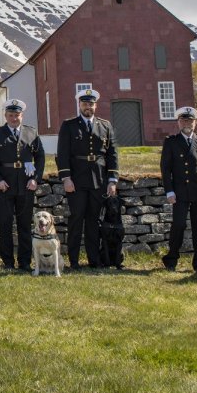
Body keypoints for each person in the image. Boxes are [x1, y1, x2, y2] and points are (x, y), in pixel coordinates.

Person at [57, 89, 119, 270]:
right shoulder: (69, 125)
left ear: (95, 105)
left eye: (91, 104)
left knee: (93, 221)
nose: (88, 107)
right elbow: (62, 154)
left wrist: (112, 180)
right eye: (85, 104)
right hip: (76, 179)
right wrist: (66, 178)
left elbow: (112, 154)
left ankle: (94, 259)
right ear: (79, 105)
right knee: (76, 219)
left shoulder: (105, 125)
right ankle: (74, 260)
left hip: (98, 180)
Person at [0, 99, 45, 270]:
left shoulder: (31, 132)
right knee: (5, 224)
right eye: (10, 115)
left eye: (17, 115)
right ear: (6, 116)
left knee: (25, 225)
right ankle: (8, 262)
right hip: (4, 184)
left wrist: (36, 179)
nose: (14, 118)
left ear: (21, 116)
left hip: (26, 184)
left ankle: (24, 262)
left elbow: (40, 156)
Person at [160, 106, 197, 275]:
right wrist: (169, 191)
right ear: (178, 122)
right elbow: (166, 169)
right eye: (184, 120)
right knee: (178, 225)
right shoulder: (171, 141)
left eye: (190, 120)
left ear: (195, 123)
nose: (187, 123)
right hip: (179, 192)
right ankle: (171, 259)